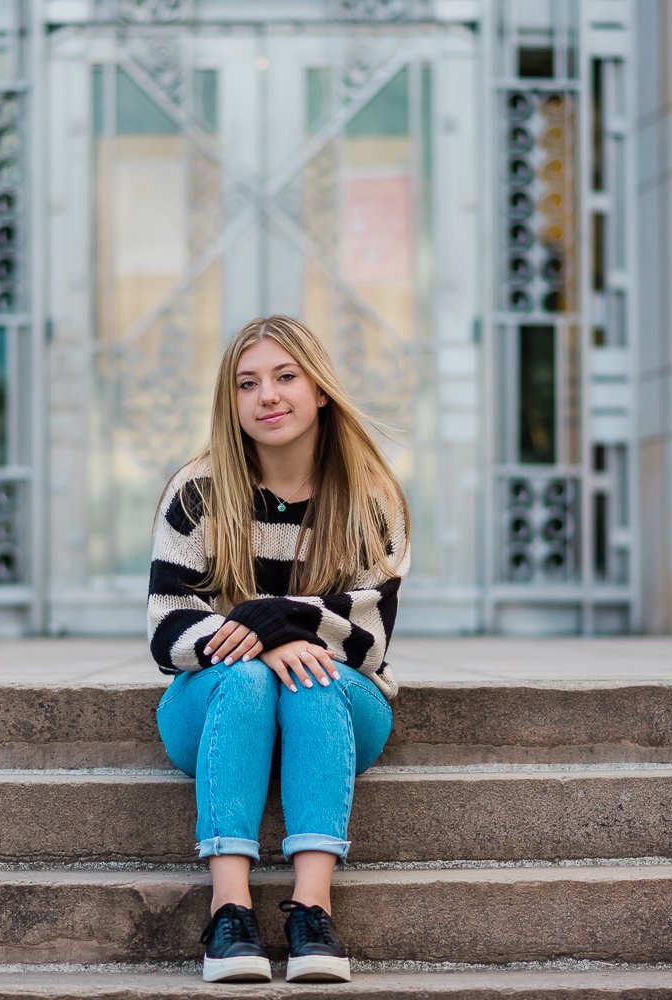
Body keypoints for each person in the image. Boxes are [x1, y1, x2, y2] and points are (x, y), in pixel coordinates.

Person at [147, 314, 411, 984]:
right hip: (210, 704)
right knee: (250, 682)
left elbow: (370, 636)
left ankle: (311, 912)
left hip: (346, 704)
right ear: (230, 403)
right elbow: (169, 629)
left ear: (320, 389)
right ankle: (229, 912)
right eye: (248, 383)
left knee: (311, 677)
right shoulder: (198, 492)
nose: (268, 394)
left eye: (285, 376)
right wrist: (261, 643)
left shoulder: (370, 498)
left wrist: (274, 618)